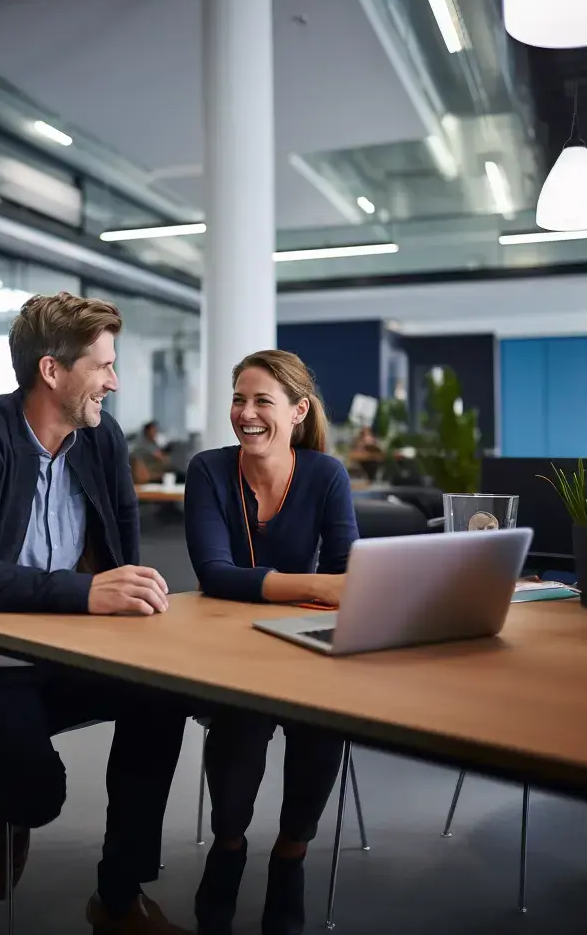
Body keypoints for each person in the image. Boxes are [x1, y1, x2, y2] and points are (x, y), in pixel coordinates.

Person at [0, 292, 190, 935]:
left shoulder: (102, 438)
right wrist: (82, 593)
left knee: (163, 696)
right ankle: (12, 810)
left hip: (75, 646)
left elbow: (123, 553)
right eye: (103, 366)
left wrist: (130, 603)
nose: (114, 382)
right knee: (39, 793)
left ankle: (119, 898)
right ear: (52, 372)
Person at [183, 349, 358, 935]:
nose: (246, 413)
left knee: (321, 717)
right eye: (238, 399)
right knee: (241, 719)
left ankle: (291, 854)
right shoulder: (209, 470)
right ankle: (228, 847)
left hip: (302, 640)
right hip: (230, 648)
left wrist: (320, 588)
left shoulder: (326, 474)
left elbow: (348, 574)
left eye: (262, 401)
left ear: (299, 410)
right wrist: (313, 584)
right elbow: (214, 573)